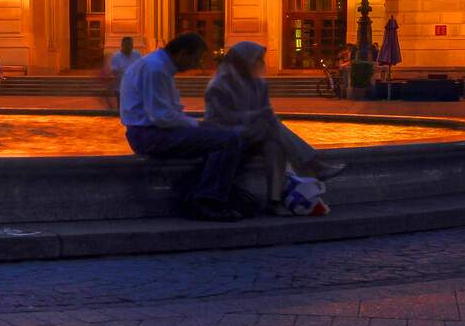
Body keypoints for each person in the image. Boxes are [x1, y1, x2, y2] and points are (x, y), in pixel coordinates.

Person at [201, 42, 346, 210]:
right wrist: (257, 117)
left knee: (274, 144)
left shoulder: (259, 85)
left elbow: (267, 112)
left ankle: (274, 200)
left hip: (255, 133)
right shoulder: (219, 85)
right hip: (227, 135)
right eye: (257, 59)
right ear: (244, 61)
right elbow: (225, 118)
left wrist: (261, 118)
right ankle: (313, 164)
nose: (261, 63)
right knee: (270, 126)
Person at [120, 32, 245, 221]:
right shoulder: (156, 69)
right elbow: (161, 117)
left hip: (150, 132)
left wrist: (200, 126)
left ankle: (195, 192)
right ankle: (208, 201)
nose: (198, 64)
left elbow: (165, 114)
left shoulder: (157, 66)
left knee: (225, 136)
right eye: (196, 59)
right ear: (183, 54)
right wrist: (198, 124)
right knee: (228, 139)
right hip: (150, 135)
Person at [105, 37, 140, 110]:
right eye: (127, 44)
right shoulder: (116, 56)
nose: (129, 46)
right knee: (122, 107)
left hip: (134, 86)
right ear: (122, 45)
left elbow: (141, 67)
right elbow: (114, 71)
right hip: (121, 87)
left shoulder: (137, 55)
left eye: (131, 44)